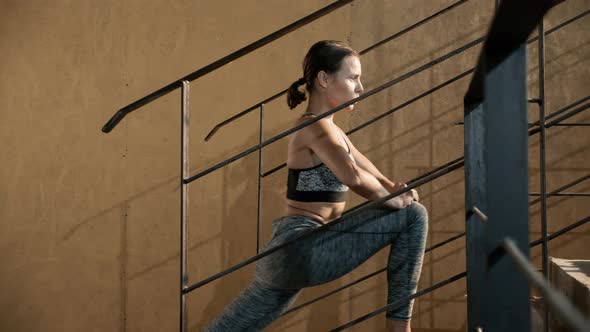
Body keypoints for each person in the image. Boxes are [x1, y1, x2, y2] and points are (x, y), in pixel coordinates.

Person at [205, 40, 428, 332]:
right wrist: (395, 201)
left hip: (290, 252)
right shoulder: (313, 127)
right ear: (324, 79)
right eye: (353, 78)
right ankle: (399, 328)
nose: (360, 87)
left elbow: (368, 169)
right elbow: (353, 177)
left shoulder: (332, 130)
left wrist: (397, 189)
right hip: (301, 247)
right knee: (414, 215)